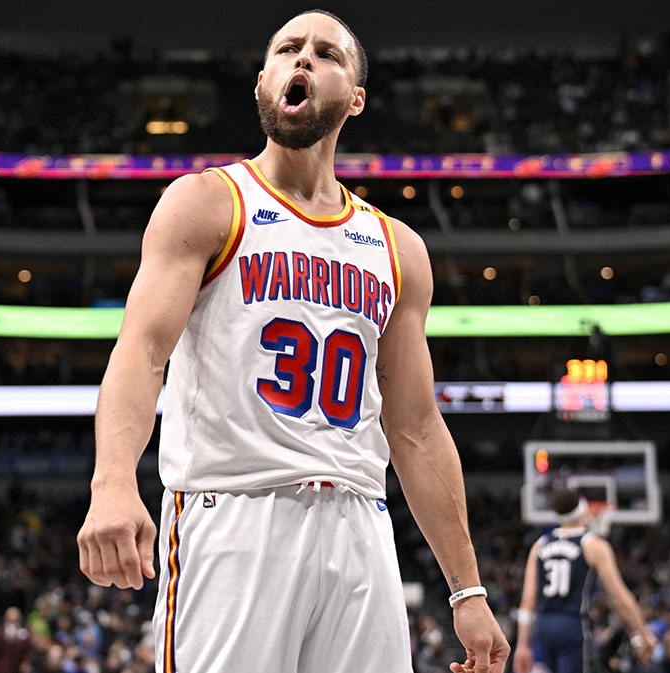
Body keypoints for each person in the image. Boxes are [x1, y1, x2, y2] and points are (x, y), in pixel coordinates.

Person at [76, 9, 509, 673]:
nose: (303, 59)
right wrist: (111, 482)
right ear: (263, 81)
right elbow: (140, 351)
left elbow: (417, 427)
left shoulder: (397, 248)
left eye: (326, 53)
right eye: (287, 48)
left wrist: (467, 587)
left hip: (360, 523)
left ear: (356, 97)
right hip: (233, 512)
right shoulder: (207, 202)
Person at [513, 489, 657, 673]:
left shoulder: (539, 545)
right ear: (583, 511)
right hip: (574, 624)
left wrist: (523, 645)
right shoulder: (593, 545)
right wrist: (643, 632)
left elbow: (527, 600)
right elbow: (618, 596)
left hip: (545, 625)